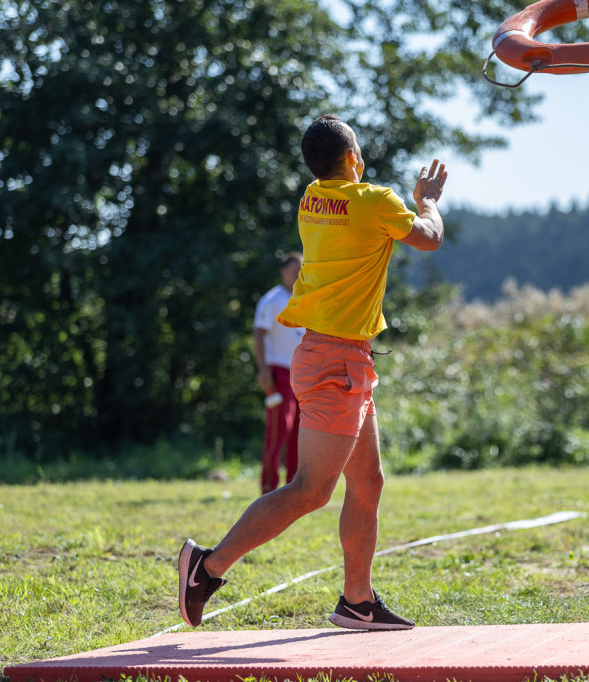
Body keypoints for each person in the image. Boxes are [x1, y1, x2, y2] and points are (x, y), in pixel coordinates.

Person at [179, 114, 447, 631]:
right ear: (352, 158)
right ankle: (206, 568)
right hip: (335, 362)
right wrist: (427, 198)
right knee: (311, 489)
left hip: (339, 358)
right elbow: (429, 237)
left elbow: (348, 200)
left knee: (367, 482)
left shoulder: (311, 198)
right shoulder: (375, 201)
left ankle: (357, 601)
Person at [253, 252, 306, 494]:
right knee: (278, 431)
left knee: (299, 434)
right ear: (282, 271)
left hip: (301, 375)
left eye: (302, 270)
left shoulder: (304, 299)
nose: (297, 275)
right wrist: (263, 371)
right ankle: (269, 487)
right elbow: (259, 334)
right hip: (278, 372)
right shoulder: (272, 300)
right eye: (294, 270)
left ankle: (293, 489)